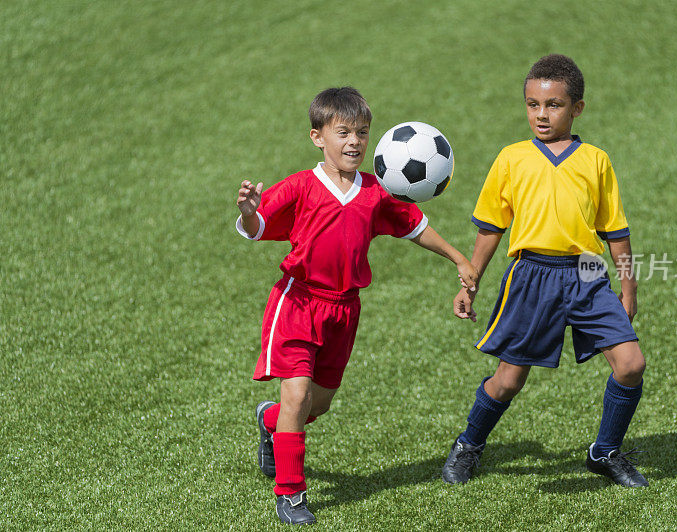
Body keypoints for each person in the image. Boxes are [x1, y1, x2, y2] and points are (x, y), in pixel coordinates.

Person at [236, 86, 478, 525]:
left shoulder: (376, 191)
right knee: (297, 393)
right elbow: (257, 227)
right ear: (317, 137)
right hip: (298, 302)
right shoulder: (300, 186)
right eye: (343, 132)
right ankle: (290, 494)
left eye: (362, 133)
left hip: (343, 311)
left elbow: (415, 227)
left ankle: (270, 423)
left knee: (318, 404)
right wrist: (251, 211)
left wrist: (459, 258)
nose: (354, 142)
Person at [442, 55, 648, 488]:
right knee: (509, 379)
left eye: (553, 105)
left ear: (577, 108)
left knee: (630, 364)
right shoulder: (512, 158)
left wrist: (628, 288)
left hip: (590, 275)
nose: (541, 114)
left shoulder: (596, 160)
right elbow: (491, 228)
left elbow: (616, 231)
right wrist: (471, 281)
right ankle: (469, 444)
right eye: (532, 104)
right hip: (532, 275)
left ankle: (604, 452)